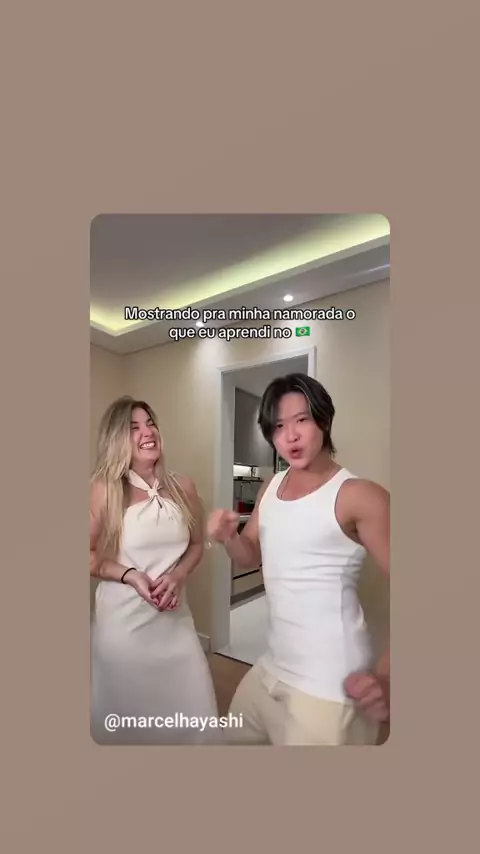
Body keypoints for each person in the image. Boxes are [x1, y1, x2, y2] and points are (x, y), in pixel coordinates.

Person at [208, 373, 390, 746]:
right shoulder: (271, 486)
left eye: (301, 420)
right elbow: (250, 555)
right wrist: (230, 537)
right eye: (278, 426)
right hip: (272, 666)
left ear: (323, 419)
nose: (290, 436)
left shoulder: (359, 495)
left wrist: (388, 678)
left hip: (330, 686)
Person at [90, 396, 220, 745]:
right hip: (124, 629)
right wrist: (130, 574)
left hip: (175, 624)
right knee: (132, 722)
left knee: (195, 711)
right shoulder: (104, 490)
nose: (148, 432)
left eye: (150, 423)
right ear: (117, 439)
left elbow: (196, 545)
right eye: (134, 427)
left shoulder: (183, 487)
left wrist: (178, 576)